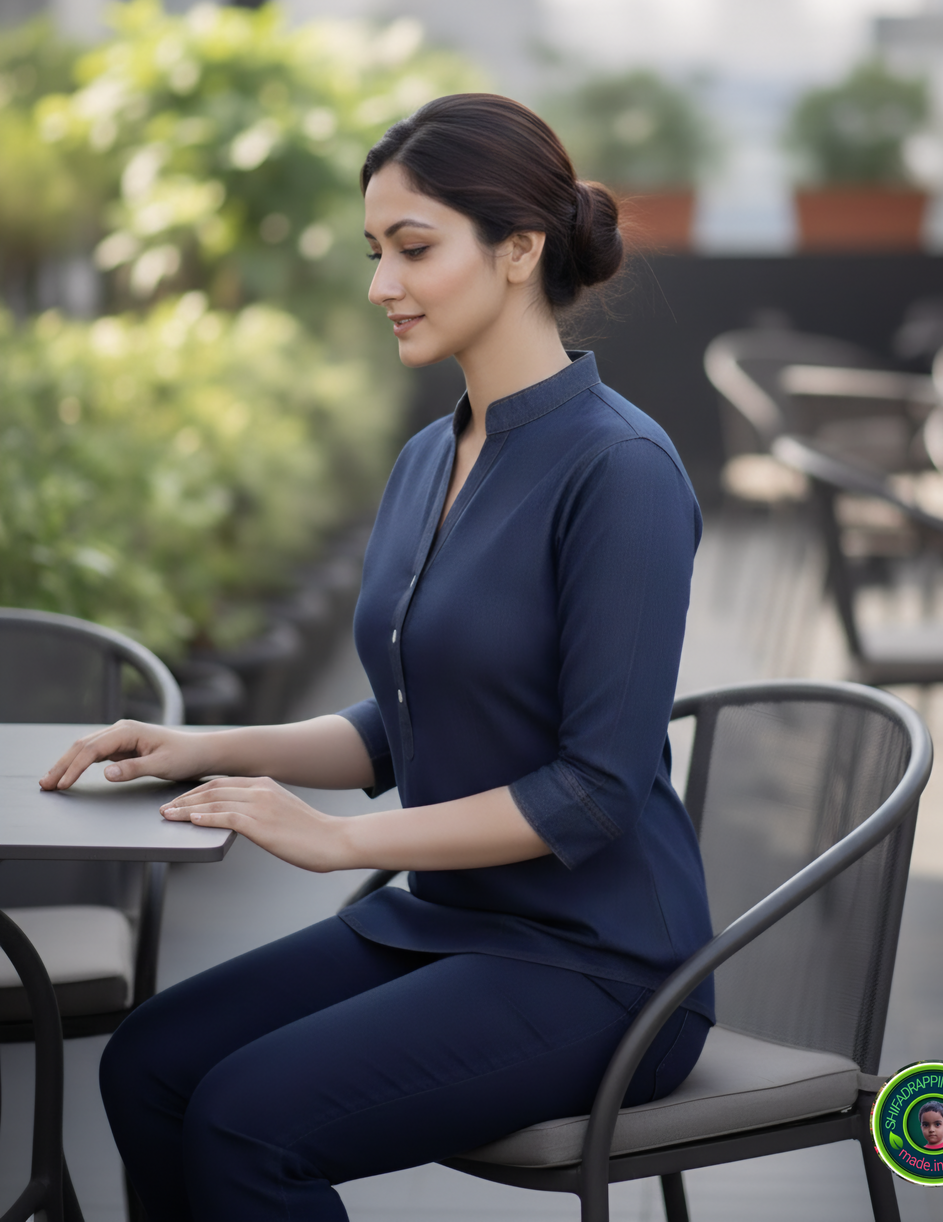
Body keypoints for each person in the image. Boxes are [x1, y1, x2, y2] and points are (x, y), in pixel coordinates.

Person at [41, 93, 714, 1222]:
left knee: (249, 1119)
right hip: (447, 923)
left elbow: (593, 793)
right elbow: (405, 718)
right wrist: (195, 746)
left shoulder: (621, 472)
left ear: (517, 250)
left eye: (413, 248)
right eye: (374, 252)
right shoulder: (427, 457)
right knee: (148, 1065)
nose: (380, 285)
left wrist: (343, 842)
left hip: (601, 966)